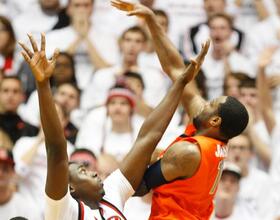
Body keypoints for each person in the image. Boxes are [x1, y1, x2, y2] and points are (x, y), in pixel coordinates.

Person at [19, 32, 204, 219]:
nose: (94, 173)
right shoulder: (64, 211)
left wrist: (180, 84)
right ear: (70, 188)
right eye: (83, 171)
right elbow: (57, 150)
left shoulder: (112, 192)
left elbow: (148, 138)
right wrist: (43, 85)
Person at [111, 1, 249, 219]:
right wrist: (151, 21)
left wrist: (152, 154)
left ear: (214, 121)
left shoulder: (189, 152)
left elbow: (138, 187)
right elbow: (176, 70)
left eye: (210, 103)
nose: (204, 103)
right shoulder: (212, 135)